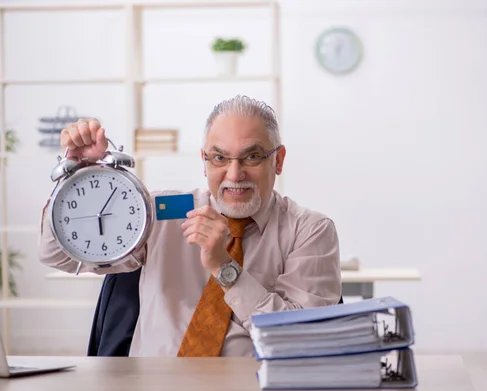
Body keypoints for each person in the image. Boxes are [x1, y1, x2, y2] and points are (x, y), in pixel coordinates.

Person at [37, 95, 342, 357]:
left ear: (278, 160)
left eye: (252, 156)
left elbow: (303, 343)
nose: (234, 175)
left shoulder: (309, 230)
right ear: (204, 161)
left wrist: (226, 270)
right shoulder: (160, 212)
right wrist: (79, 177)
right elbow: (57, 254)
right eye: (220, 157)